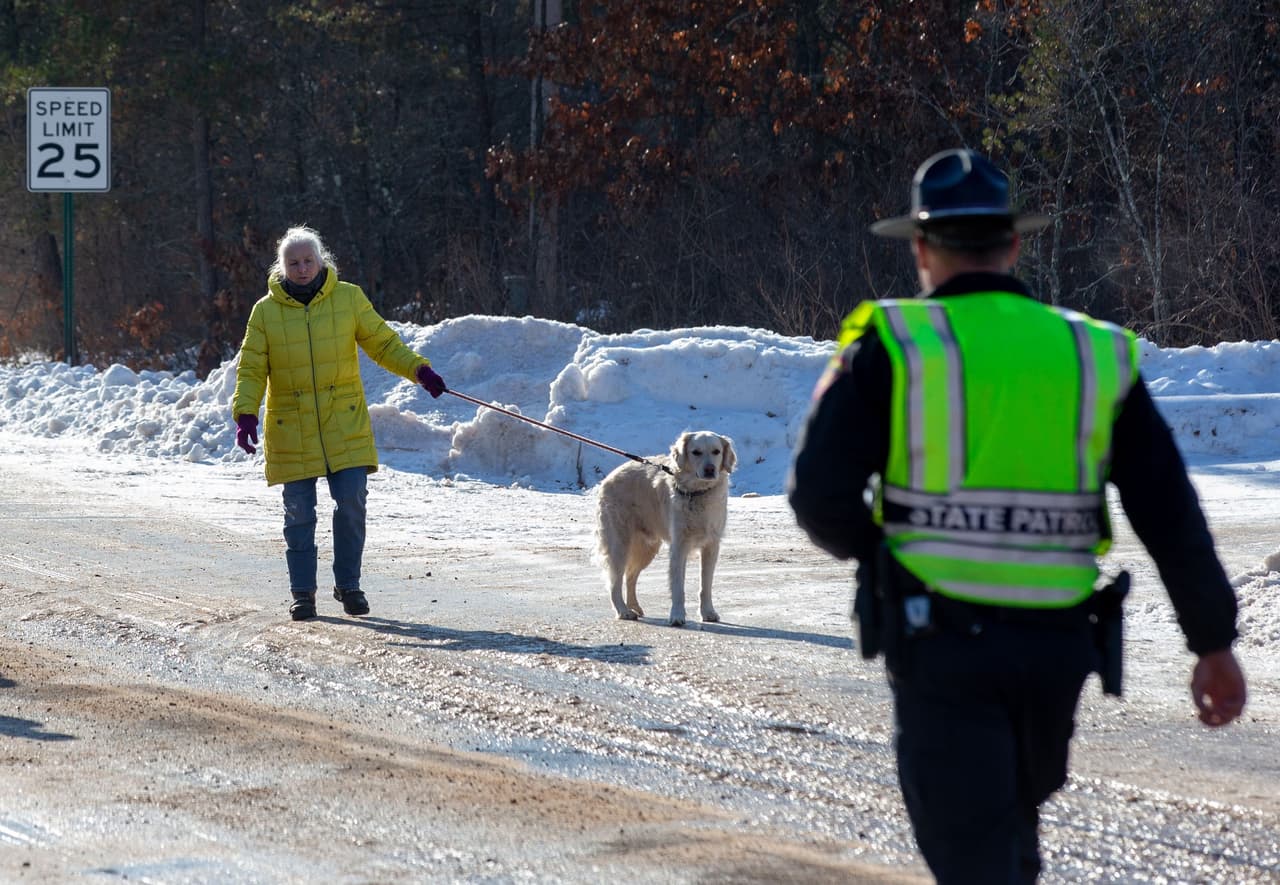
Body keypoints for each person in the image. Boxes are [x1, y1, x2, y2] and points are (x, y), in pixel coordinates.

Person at [786, 149, 1247, 883]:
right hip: (1056, 651)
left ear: (921, 248)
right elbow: (1169, 511)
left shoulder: (896, 342)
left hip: (939, 646)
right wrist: (1213, 639)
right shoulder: (1090, 350)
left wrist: (888, 554)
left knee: (978, 858)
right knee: (1008, 839)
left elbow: (819, 497)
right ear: (1013, 244)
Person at [232, 225, 447, 621]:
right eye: (293, 263)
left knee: (351, 503)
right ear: (281, 268)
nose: (301, 268)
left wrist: (419, 370)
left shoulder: (349, 299)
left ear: (321, 260)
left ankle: (349, 585)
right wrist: (246, 412)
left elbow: (383, 343)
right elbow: (251, 368)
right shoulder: (265, 312)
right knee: (299, 514)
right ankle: (303, 593)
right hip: (291, 426)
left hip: (343, 422)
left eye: (308, 260)